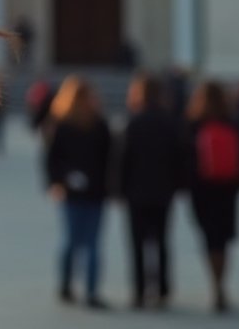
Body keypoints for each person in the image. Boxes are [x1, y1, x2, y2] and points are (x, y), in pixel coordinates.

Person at [118, 73, 184, 310]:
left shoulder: (133, 122)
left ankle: (139, 291)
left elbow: (123, 160)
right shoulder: (170, 122)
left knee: (137, 245)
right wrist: (177, 186)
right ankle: (163, 290)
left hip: (136, 193)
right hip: (163, 192)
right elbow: (180, 158)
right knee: (162, 242)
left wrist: (119, 190)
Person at [45, 76, 112, 309]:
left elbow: (52, 160)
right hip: (89, 192)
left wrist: (58, 180)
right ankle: (87, 291)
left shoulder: (67, 125)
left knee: (76, 242)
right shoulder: (94, 125)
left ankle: (71, 287)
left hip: (82, 192)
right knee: (84, 242)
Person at [185, 80, 239, 313]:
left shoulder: (194, 123)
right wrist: (237, 184)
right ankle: (220, 284)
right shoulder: (233, 123)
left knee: (209, 239)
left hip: (203, 191)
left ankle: (214, 282)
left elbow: (187, 160)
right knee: (222, 241)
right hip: (227, 190)